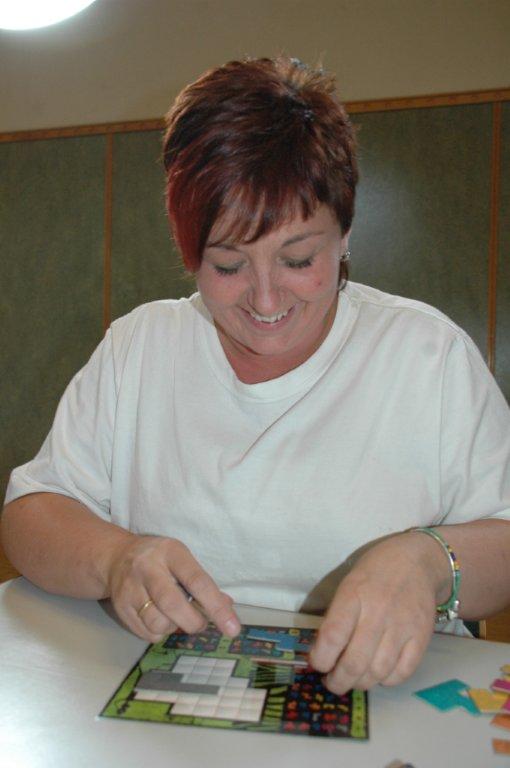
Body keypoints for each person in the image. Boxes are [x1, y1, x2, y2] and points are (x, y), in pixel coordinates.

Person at [2, 57, 510, 697]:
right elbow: (32, 514)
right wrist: (115, 559)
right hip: (177, 698)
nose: (266, 301)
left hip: (392, 694)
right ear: (189, 251)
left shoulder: (427, 356)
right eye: (227, 265)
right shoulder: (142, 347)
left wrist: (430, 561)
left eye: (298, 259)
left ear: (345, 234)